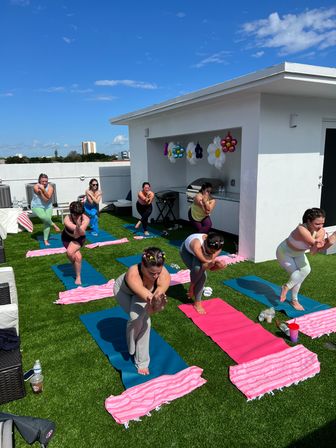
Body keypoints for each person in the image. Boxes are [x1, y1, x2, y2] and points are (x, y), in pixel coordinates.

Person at [114, 247, 170, 375]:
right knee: (135, 318)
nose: (155, 276)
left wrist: (158, 304)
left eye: (158, 272)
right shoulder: (133, 273)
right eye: (151, 273)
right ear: (143, 266)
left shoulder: (164, 275)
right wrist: (152, 301)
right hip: (123, 291)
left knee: (145, 322)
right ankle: (131, 343)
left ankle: (142, 362)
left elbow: (154, 304)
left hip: (143, 294)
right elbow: (146, 295)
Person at [276, 207, 336, 311]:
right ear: (308, 221)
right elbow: (314, 243)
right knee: (297, 275)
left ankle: (289, 291)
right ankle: (292, 296)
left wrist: (330, 241)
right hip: (284, 252)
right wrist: (323, 242)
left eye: (322, 223)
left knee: (305, 271)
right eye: (317, 224)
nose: (320, 226)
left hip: (298, 253)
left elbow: (313, 251)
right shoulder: (301, 229)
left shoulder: (321, 231)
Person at [179, 231, 226, 315]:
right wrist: (192, 287)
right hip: (186, 251)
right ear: (205, 244)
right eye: (211, 250)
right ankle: (197, 302)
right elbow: (204, 265)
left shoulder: (217, 247)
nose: (213, 253)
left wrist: (219, 266)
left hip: (202, 254)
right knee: (199, 271)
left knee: (201, 271)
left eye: (215, 251)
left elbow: (209, 267)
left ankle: (195, 297)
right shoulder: (196, 244)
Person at [61, 201, 90, 285]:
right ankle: (76, 264)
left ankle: (78, 276)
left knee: (71, 253)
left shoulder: (86, 219)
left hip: (79, 239)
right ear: (71, 213)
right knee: (77, 257)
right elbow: (75, 230)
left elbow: (81, 234)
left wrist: (78, 225)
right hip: (66, 238)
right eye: (75, 215)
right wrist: (77, 225)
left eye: (79, 215)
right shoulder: (67, 218)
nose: (77, 216)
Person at [31, 173, 60, 246]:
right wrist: (42, 191)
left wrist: (43, 190)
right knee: (44, 217)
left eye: (46, 181)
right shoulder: (35, 186)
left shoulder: (50, 187)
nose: (44, 183)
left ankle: (45, 240)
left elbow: (47, 198)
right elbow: (42, 196)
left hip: (48, 206)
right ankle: (54, 225)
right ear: (39, 181)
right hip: (36, 206)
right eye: (42, 181)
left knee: (47, 223)